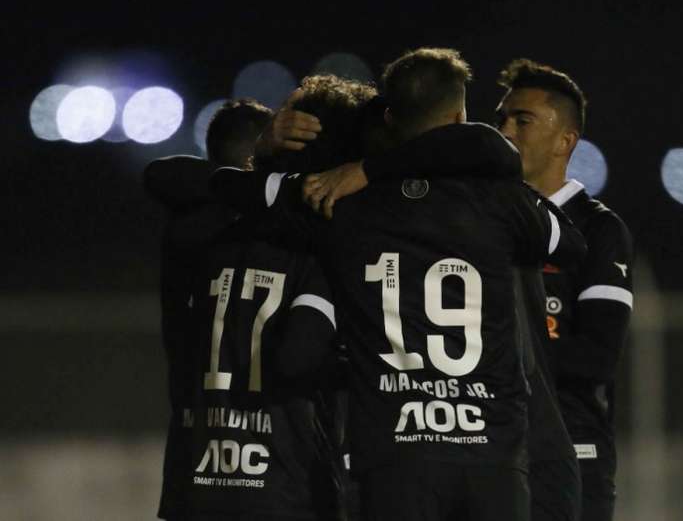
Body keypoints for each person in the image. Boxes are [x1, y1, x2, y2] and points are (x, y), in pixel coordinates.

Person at [212, 49, 586, 521]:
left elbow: (225, 188)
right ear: (460, 117)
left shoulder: (341, 204)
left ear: (390, 119)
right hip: (493, 456)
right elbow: (569, 242)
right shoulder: (500, 202)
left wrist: (268, 151)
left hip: (396, 457)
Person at [496, 58, 634, 521]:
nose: (506, 130)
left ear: (565, 140)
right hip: (494, 451)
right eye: (502, 118)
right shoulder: (487, 220)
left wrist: (492, 361)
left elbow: (597, 356)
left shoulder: (598, 230)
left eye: (523, 119)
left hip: (575, 452)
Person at [144, 98, 272, 521]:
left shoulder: (186, 219)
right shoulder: (266, 223)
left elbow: (161, 173)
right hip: (269, 453)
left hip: (194, 445)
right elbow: (160, 173)